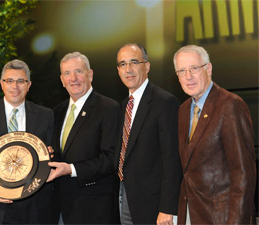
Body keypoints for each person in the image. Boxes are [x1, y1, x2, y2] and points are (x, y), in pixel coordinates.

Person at [0, 59, 58, 224]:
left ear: (28, 85)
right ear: (2, 84)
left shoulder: (46, 115)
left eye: (21, 81)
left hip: (35, 210)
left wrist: (51, 153)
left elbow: (53, 154)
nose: (15, 86)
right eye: (10, 81)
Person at [173, 45, 257, 224]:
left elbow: (243, 174)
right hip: (191, 215)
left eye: (194, 68)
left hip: (222, 217)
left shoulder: (230, 105)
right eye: (182, 71)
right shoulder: (183, 110)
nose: (188, 76)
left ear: (208, 69)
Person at [47, 52, 120, 224]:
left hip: (94, 209)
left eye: (78, 71)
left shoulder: (109, 108)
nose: (73, 78)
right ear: (62, 80)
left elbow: (111, 159)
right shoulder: (56, 112)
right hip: (60, 208)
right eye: (67, 73)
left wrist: (71, 169)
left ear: (90, 74)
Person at [115, 43, 182, 225]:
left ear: (147, 66)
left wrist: (168, 209)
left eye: (134, 62)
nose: (128, 69)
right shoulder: (121, 107)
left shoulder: (165, 103)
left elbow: (172, 161)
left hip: (153, 206)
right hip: (123, 200)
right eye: (122, 64)